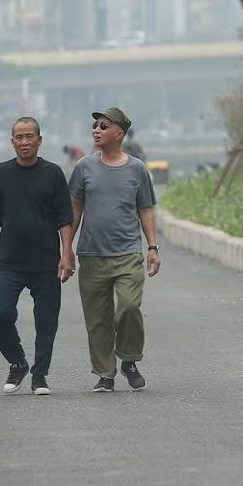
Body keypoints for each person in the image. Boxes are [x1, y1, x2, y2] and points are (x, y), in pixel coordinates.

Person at [68, 106, 161, 392]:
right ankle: (105, 374)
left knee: (129, 307)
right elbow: (75, 210)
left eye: (104, 126)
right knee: (97, 319)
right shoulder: (84, 167)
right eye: (95, 126)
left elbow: (145, 209)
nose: (96, 130)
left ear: (119, 133)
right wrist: (65, 250)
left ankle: (129, 359)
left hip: (128, 253)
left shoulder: (137, 169)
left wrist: (152, 247)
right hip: (92, 254)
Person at [0, 116, 75, 395]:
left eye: (29, 136)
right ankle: (17, 361)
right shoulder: (1, 173)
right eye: (19, 137)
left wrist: (66, 254)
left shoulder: (53, 173)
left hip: (46, 261)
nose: (24, 142)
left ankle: (40, 376)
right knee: (0, 315)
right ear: (12, 142)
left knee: (46, 322)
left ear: (39, 140)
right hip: (10, 261)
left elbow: (64, 219)